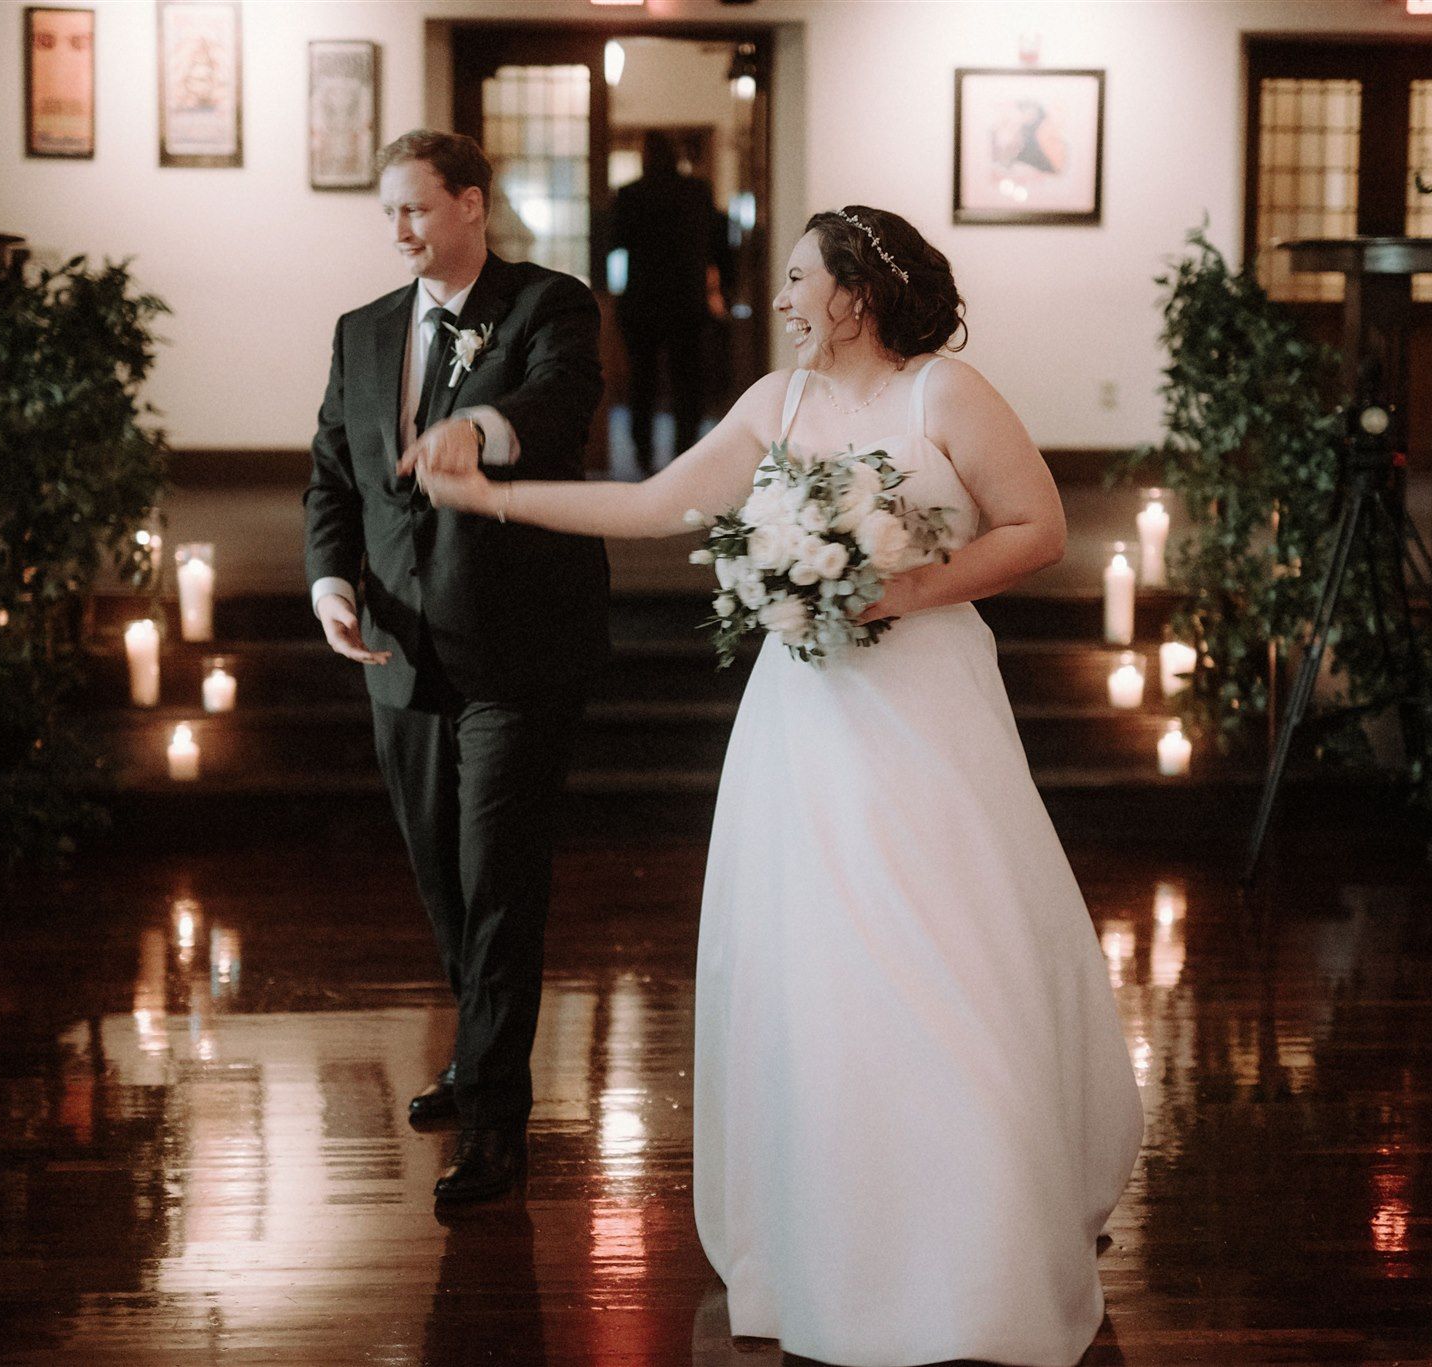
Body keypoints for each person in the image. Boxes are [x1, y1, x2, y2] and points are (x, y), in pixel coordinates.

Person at [412, 205, 1143, 1365]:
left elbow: (1039, 527)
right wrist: (492, 495)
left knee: (952, 953)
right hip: (805, 722)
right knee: (822, 965)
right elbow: (654, 505)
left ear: (854, 292)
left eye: (799, 279)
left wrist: (904, 588)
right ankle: (839, 1228)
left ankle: (984, 1233)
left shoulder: (942, 396)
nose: (782, 298)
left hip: (930, 712)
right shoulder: (777, 404)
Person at [301, 129, 609, 1205]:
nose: (396, 230)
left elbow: (558, 403)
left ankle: (493, 1115)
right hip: (396, 645)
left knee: (498, 884)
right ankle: (476, 1050)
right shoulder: (361, 329)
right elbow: (331, 475)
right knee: (443, 875)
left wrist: (476, 423)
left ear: (471, 204)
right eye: (386, 212)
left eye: (416, 209)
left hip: (517, 644)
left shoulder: (548, 305)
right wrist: (329, 583)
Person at [611, 131, 723, 468]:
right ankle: (684, 451)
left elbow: (616, 241)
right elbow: (717, 245)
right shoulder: (697, 192)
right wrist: (720, 289)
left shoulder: (630, 194)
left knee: (641, 381)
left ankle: (642, 454)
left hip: (642, 299)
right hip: (686, 300)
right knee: (687, 381)